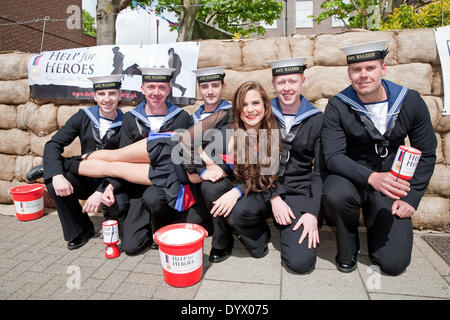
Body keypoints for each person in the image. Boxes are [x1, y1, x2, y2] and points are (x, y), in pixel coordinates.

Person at [321, 40, 437, 275]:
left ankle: (377, 232)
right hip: (351, 177)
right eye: (356, 70)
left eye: (370, 68)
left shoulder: (410, 101)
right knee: (335, 193)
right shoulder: (338, 105)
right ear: (349, 73)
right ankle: (348, 243)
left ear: (383, 69)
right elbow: (333, 156)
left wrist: (411, 197)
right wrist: (371, 177)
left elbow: (426, 152)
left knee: (394, 264)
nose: (363, 75)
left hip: (391, 182)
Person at [204, 64, 323, 275]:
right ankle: (259, 237)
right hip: (262, 186)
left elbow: (320, 171)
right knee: (237, 212)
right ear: (273, 85)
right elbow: (248, 161)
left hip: (295, 192)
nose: (287, 88)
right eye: (281, 82)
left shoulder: (316, 119)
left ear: (303, 81)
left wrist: (312, 212)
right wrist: (209, 163)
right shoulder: (261, 114)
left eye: (292, 81)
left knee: (300, 264)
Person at [100, 67, 194, 255]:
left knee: (155, 199)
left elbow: (187, 156)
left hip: (167, 186)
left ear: (169, 90)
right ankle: (146, 226)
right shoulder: (131, 118)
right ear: (142, 88)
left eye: (162, 87)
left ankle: (161, 227)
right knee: (131, 247)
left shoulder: (181, 117)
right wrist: (109, 185)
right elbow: (123, 156)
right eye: (151, 87)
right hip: (137, 186)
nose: (156, 93)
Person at [41, 75, 124, 250]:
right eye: (101, 93)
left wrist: (101, 191)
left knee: (120, 226)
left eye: (112, 93)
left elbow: (126, 165)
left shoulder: (127, 123)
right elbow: (53, 144)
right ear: (94, 96)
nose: (107, 99)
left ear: (120, 95)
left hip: (112, 182)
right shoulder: (83, 117)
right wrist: (57, 175)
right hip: (85, 176)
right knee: (52, 180)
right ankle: (81, 230)